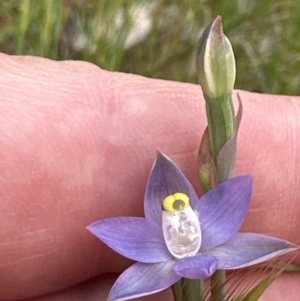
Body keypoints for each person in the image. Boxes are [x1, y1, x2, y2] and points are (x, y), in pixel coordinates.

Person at [0, 53, 299, 301]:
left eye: (179, 209)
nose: (176, 206)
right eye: (172, 209)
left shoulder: (213, 240)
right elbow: (124, 286)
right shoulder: (154, 258)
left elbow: (231, 208)